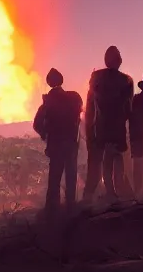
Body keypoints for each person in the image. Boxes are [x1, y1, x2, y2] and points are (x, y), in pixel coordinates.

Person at [83, 46, 134, 201]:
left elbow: (90, 106)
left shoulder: (96, 77)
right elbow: (128, 108)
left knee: (106, 157)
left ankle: (110, 191)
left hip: (102, 125)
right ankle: (118, 190)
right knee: (116, 156)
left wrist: (90, 129)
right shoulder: (126, 80)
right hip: (117, 125)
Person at [33, 68, 83, 214]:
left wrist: (45, 135)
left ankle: (52, 209)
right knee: (71, 175)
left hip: (55, 146)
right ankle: (70, 206)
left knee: (54, 178)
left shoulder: (47, 103)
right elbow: (79, 114)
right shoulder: (74, 97)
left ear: (49, 83)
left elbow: (37, 124)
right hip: (71, 144)